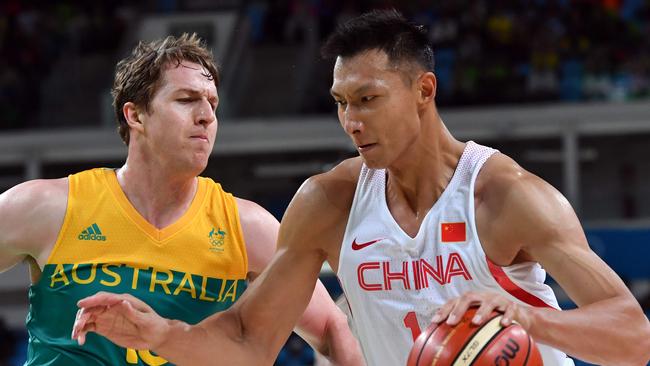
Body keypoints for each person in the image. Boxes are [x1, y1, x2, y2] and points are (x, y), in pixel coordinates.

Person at [71, 10, 650, 366]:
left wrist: (528, 320)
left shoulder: (505, 196)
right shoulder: (328, 203)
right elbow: (250, 339)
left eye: (368, 99)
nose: (351, 121)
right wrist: (161, 333)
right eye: (342, 103)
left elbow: (633, 335)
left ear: (424, 90)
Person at [0, 33, 363, 365]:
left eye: (212, 104)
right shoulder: (48, 207)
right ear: (135, 114)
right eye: (187, 100)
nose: (206, 116)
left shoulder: (246, 226)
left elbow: (333, 327)